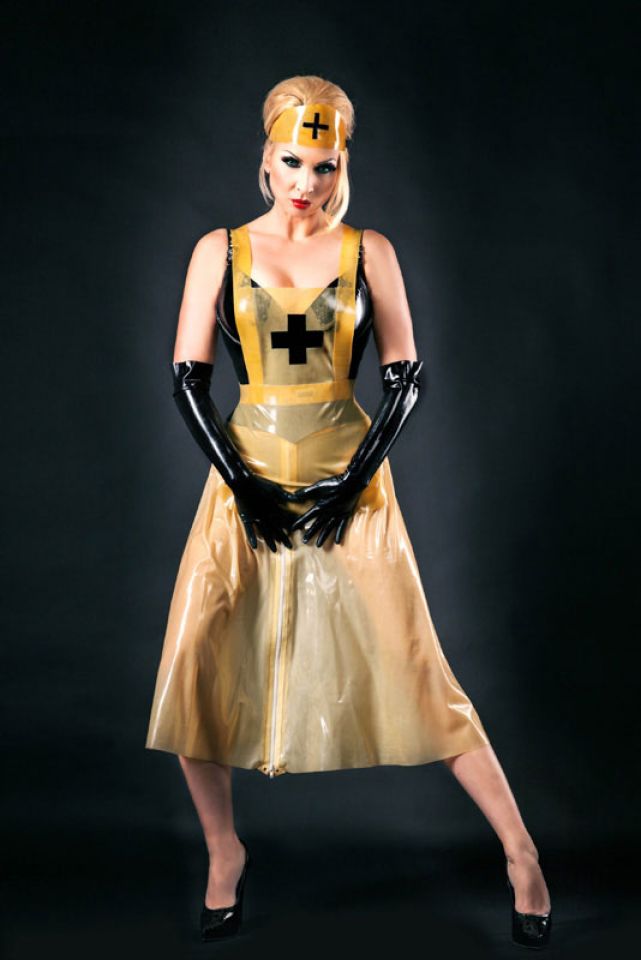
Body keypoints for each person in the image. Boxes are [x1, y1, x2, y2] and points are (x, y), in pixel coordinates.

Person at [145, 75, 552, 946]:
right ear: (265, 156)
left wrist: (356, 479)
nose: (306, 182)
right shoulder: (219, 251)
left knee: (413, 658)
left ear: (342, 164)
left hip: (348, 473)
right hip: (246, 474)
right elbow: (187, 377)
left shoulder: (369, 252)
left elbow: (405, 377)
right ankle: (223, 850)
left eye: (323, 165)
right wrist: (242, 483)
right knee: (196, 659)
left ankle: (521, 853)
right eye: (292, 160)